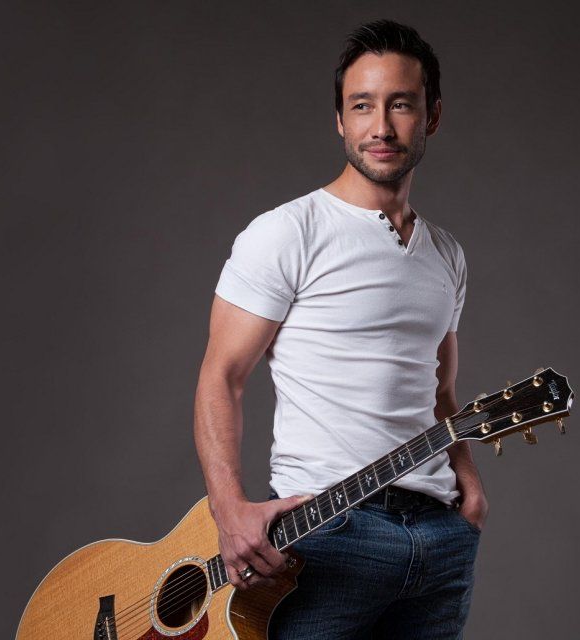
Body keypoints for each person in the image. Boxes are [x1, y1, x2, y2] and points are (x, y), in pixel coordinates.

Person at [193, 19, 485, 639]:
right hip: (327, 534)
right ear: (340, 120)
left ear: (432, 115)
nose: (381, 127)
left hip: (439, 538)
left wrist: (469, 483)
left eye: (400, 104)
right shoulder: (287, 233)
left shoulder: (447, 255)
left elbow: (440, 392)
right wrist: (229, 510)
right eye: (362, 106)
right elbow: (222, 375)